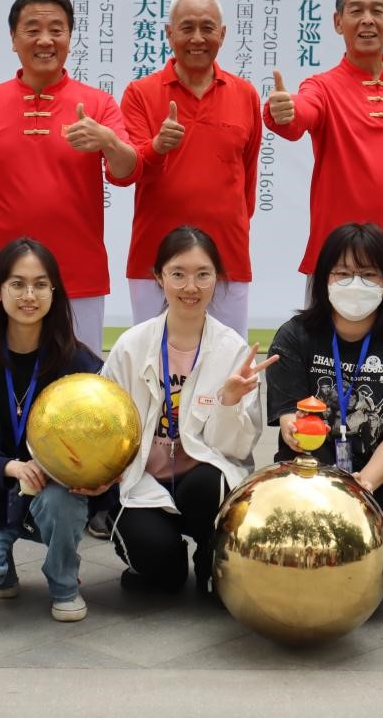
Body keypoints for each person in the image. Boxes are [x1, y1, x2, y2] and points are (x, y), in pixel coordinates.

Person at [0, 0, 139, 354]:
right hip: (3, 277)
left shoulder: (98, 103)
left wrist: (108, 140)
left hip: (77, 278)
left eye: (56, 30)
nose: (45, 40)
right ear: (13, 38)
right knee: (0, 376)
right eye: (32, 30)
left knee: (79, 383)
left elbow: (126, 172)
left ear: (70, 37)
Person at [102, 226, 273, 595]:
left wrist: (229, 401)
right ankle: (167, 559)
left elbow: (234, 450)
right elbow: (104, 420)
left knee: (210, 484)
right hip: (144, 478)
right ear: (159, 277)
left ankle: (211, 558)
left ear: (217, 278)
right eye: (178, 274)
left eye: (202, 275)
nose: (190, 287)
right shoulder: (131, 346)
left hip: (200, 480)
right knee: (159, 573)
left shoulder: (232, 350)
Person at [0, 238, 104, 622]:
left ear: (54, 292)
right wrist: (8, 467)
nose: (29, 295)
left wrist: (87, 474)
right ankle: (2, 566)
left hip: (52, 495)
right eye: (17, 284)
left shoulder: (79, 364)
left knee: (63, 503)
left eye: (40, 284)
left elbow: (102, 444)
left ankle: (64, 581)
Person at [266, 222, 383, 584]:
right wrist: (293, 429)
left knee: (372, 569)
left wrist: (363, 484)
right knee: (305, 562)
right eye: (342, 273)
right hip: (311, 471)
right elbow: (289, 414)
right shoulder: (294, 337)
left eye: (368, 274)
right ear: (323, 279)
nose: (354, 284)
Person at [263, 0, 383, 330]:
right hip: (337, 260)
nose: (367, 19)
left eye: (377, 10)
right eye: (356, 10)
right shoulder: (322, 87)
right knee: (327, 357)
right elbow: (300, 114)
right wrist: (283, 112)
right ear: (338, 22)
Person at [120, 0, 262, 337]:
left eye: (207, 28)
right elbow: (130, 167)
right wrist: (157, 146)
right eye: (187, 28)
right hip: (154, 261)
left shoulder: (245, 94)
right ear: (169, 34)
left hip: (227, 261)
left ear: (222, 35)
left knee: (227, 360)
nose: (197, 38)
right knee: (151, 359)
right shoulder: (140, 93)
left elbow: (247, 181)